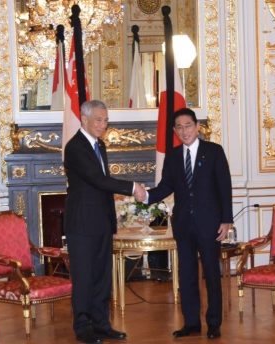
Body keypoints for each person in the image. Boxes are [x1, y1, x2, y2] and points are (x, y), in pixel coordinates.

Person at [143, 107, 233, 339]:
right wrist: (145, 195)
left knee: (212, 273)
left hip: (210, 223)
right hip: (183, 224)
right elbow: (165, 187)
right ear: (174, 131)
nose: (184, 131)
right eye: (179, 127)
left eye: (188, 126)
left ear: (197, 127)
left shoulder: (213, 151)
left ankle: (213, 322)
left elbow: (224, 187)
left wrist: (226, 220)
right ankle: (191, 322)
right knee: (186, 274)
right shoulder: (172, 156)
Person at [63, 100, 146, 344]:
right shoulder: (75, 147)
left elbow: (103, 184)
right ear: (84, 119)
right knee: (84, 278)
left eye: (106, 120)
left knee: (102, 277)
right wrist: (132, 187)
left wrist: (112, 219)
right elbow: (98, 180)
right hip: (81, 224)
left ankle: (101, 324)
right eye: (98, 120)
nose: (103, 124)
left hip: (100, 222)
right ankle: (83, 327)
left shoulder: (99, 144)